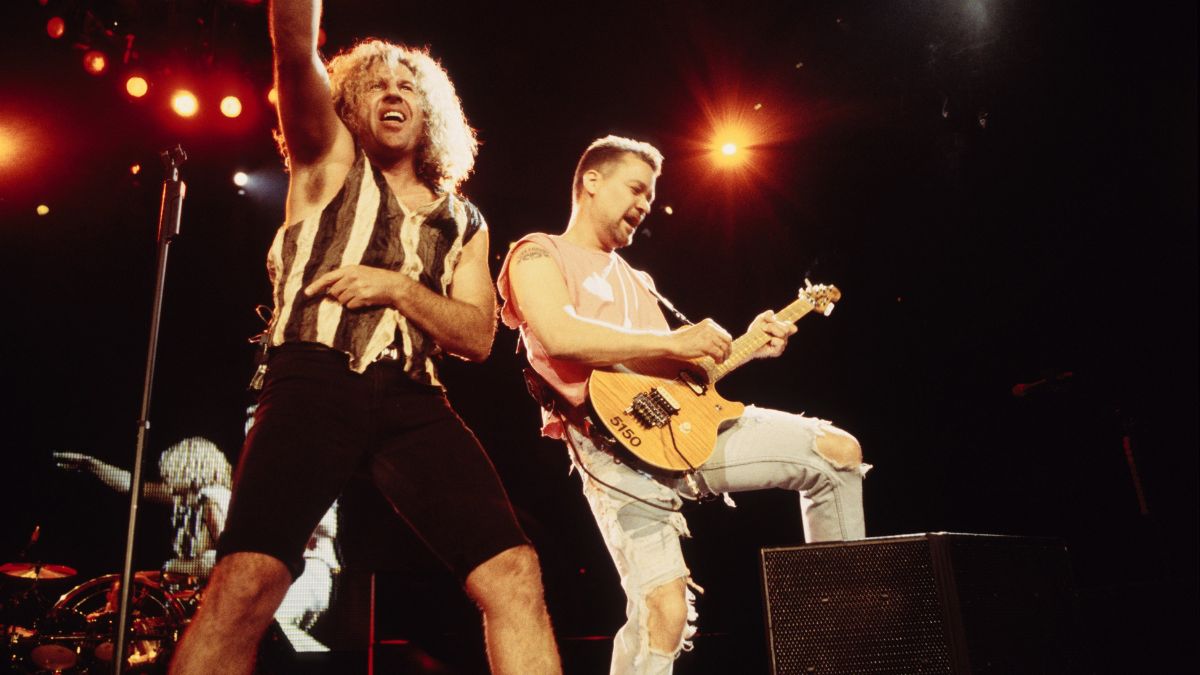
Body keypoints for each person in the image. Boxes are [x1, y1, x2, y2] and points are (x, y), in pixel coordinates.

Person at [167, 2, 560, 674]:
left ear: (429, 109)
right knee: (248, 582)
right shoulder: (328, 158)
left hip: (413, 400)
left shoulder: (463, 219)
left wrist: (398, 288)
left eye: (407, 84)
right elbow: (294, 46)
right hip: (314, 381)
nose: (393, 91)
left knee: (514, 570)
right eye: (376, 82)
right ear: (350, 101)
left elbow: (477, 338)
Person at [497, 135, 869, 674]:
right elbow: (557, 335)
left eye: (651, 195)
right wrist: (675, 342)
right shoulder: (537, 251)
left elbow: (675, 379)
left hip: (679, 431)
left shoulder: (638, 281)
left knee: (835, 454)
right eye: (636, 188)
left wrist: (744, 347)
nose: (646, 203)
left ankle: (844, 651)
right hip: (612, 453)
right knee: (663, 612)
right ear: (591, 182)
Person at [54, 439, 340, 652]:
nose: (165, 479)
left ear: (185, 468)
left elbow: (226, 556)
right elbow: (134, 487)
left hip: (294, 588)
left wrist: (172, 568)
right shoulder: (199, 497)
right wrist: (92, 464)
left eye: (170, 471)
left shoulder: (211, 498)